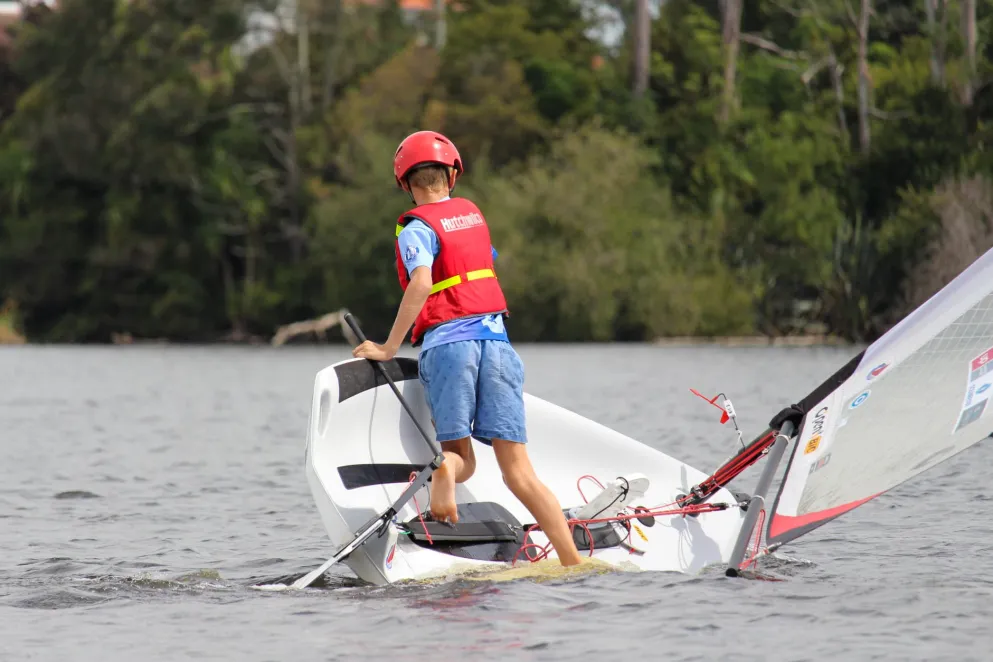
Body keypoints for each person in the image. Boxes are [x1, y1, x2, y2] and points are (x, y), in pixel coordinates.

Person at [352, 130, 582, 567]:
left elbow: (422, 282)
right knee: (520, 473)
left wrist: (388, 347)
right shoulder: (472, 216)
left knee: (460, 459)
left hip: (449, 346)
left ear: (405, 183)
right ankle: (573, 565)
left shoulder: (415, 228)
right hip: (497, 346)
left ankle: (445, 470)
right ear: (453, 175)